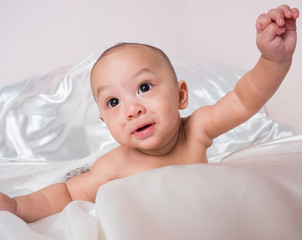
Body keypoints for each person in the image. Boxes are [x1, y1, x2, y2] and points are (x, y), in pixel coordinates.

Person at [0, 5, 299, 223]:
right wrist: (16, 206)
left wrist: (273, 61)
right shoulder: (114, 165)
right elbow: (63, 196)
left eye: (144, 87)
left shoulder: (197, 130)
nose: (132, 109)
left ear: (181, 95)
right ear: (104, 122)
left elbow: (245, 99)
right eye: (114, 102)